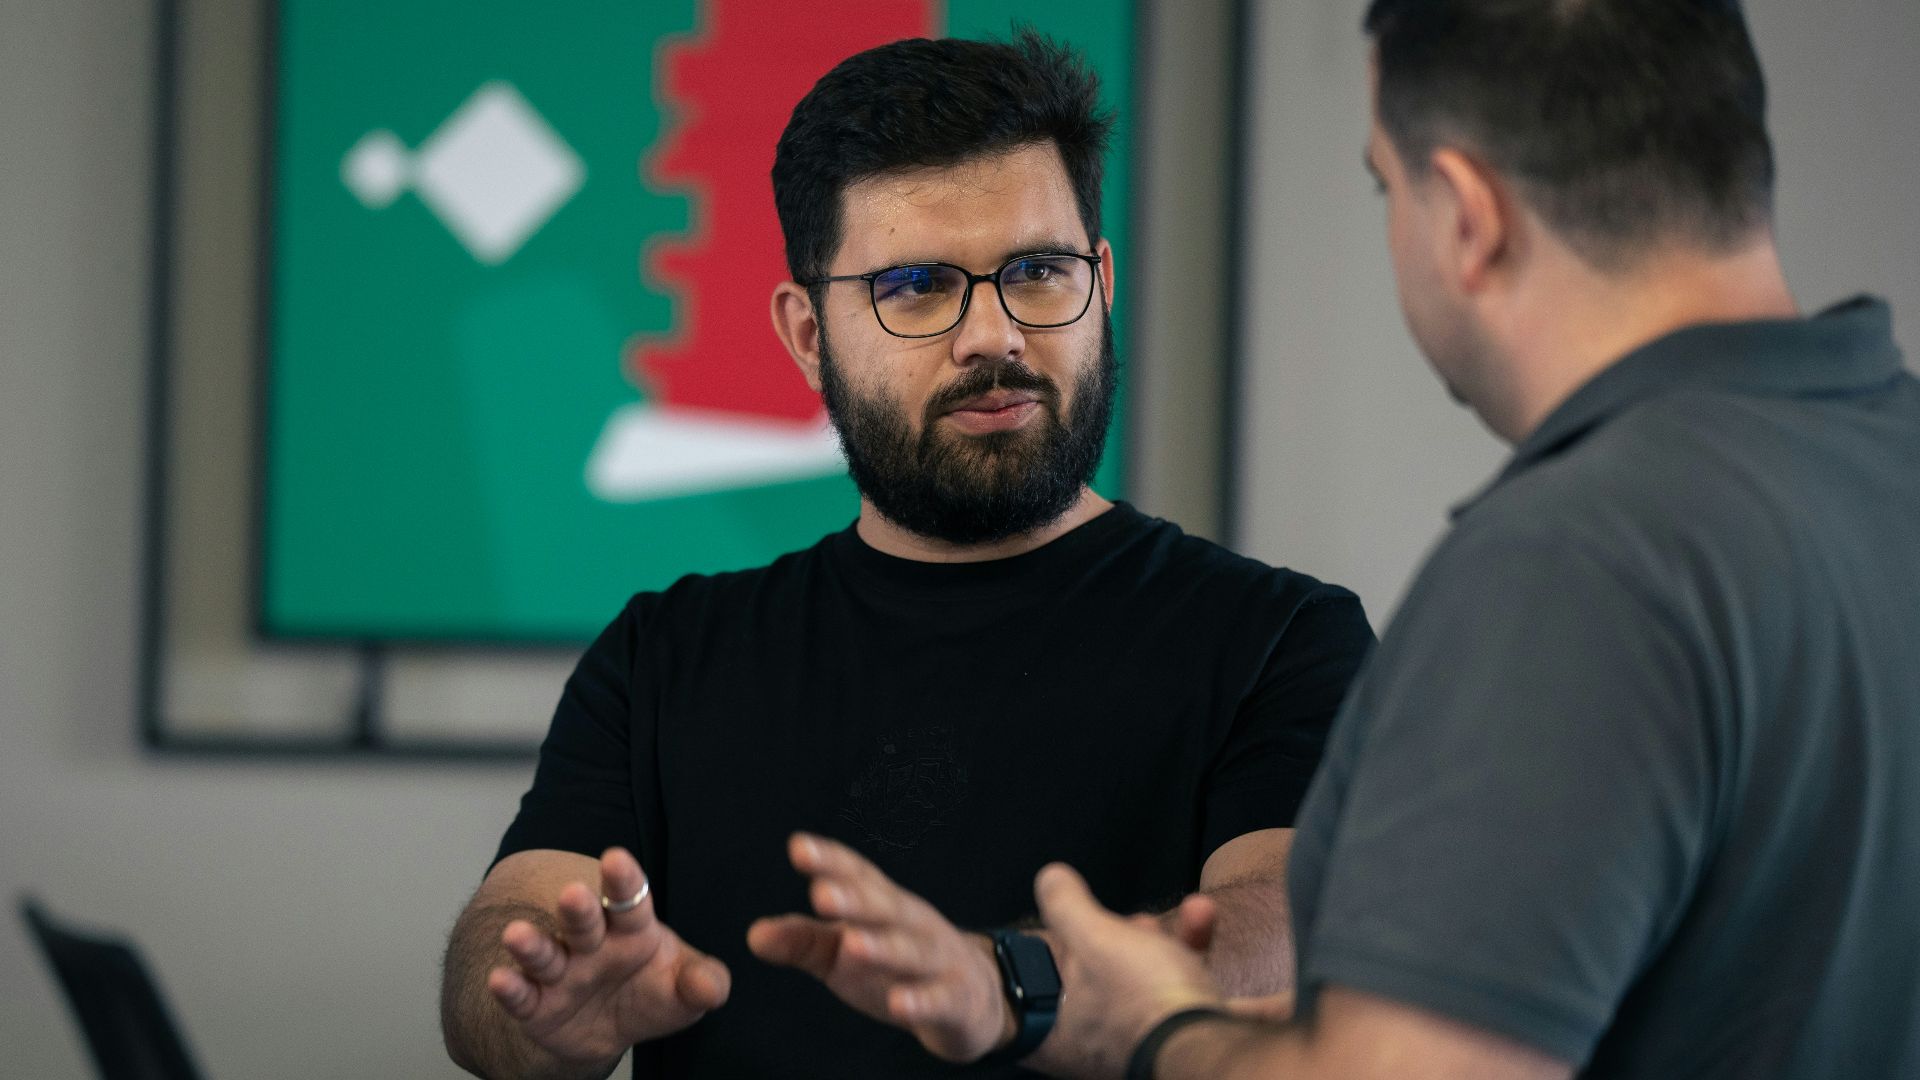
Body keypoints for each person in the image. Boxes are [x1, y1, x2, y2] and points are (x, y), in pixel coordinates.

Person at [438, 32, 1376, 1080]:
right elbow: (504, 955)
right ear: (807, 335)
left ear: (1103, 282)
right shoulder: (665, 655)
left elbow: (1294, 933)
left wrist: (1007, 984)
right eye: (919, 285)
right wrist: (541, 1004)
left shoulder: (1282, 638)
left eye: (1038, 271)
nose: (993, 335)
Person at [1024, 2, 1920, 1078]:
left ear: (1466, 211)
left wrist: (1154, 1029)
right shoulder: (1885, 459)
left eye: (1386, 187)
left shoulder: (1579, 561)